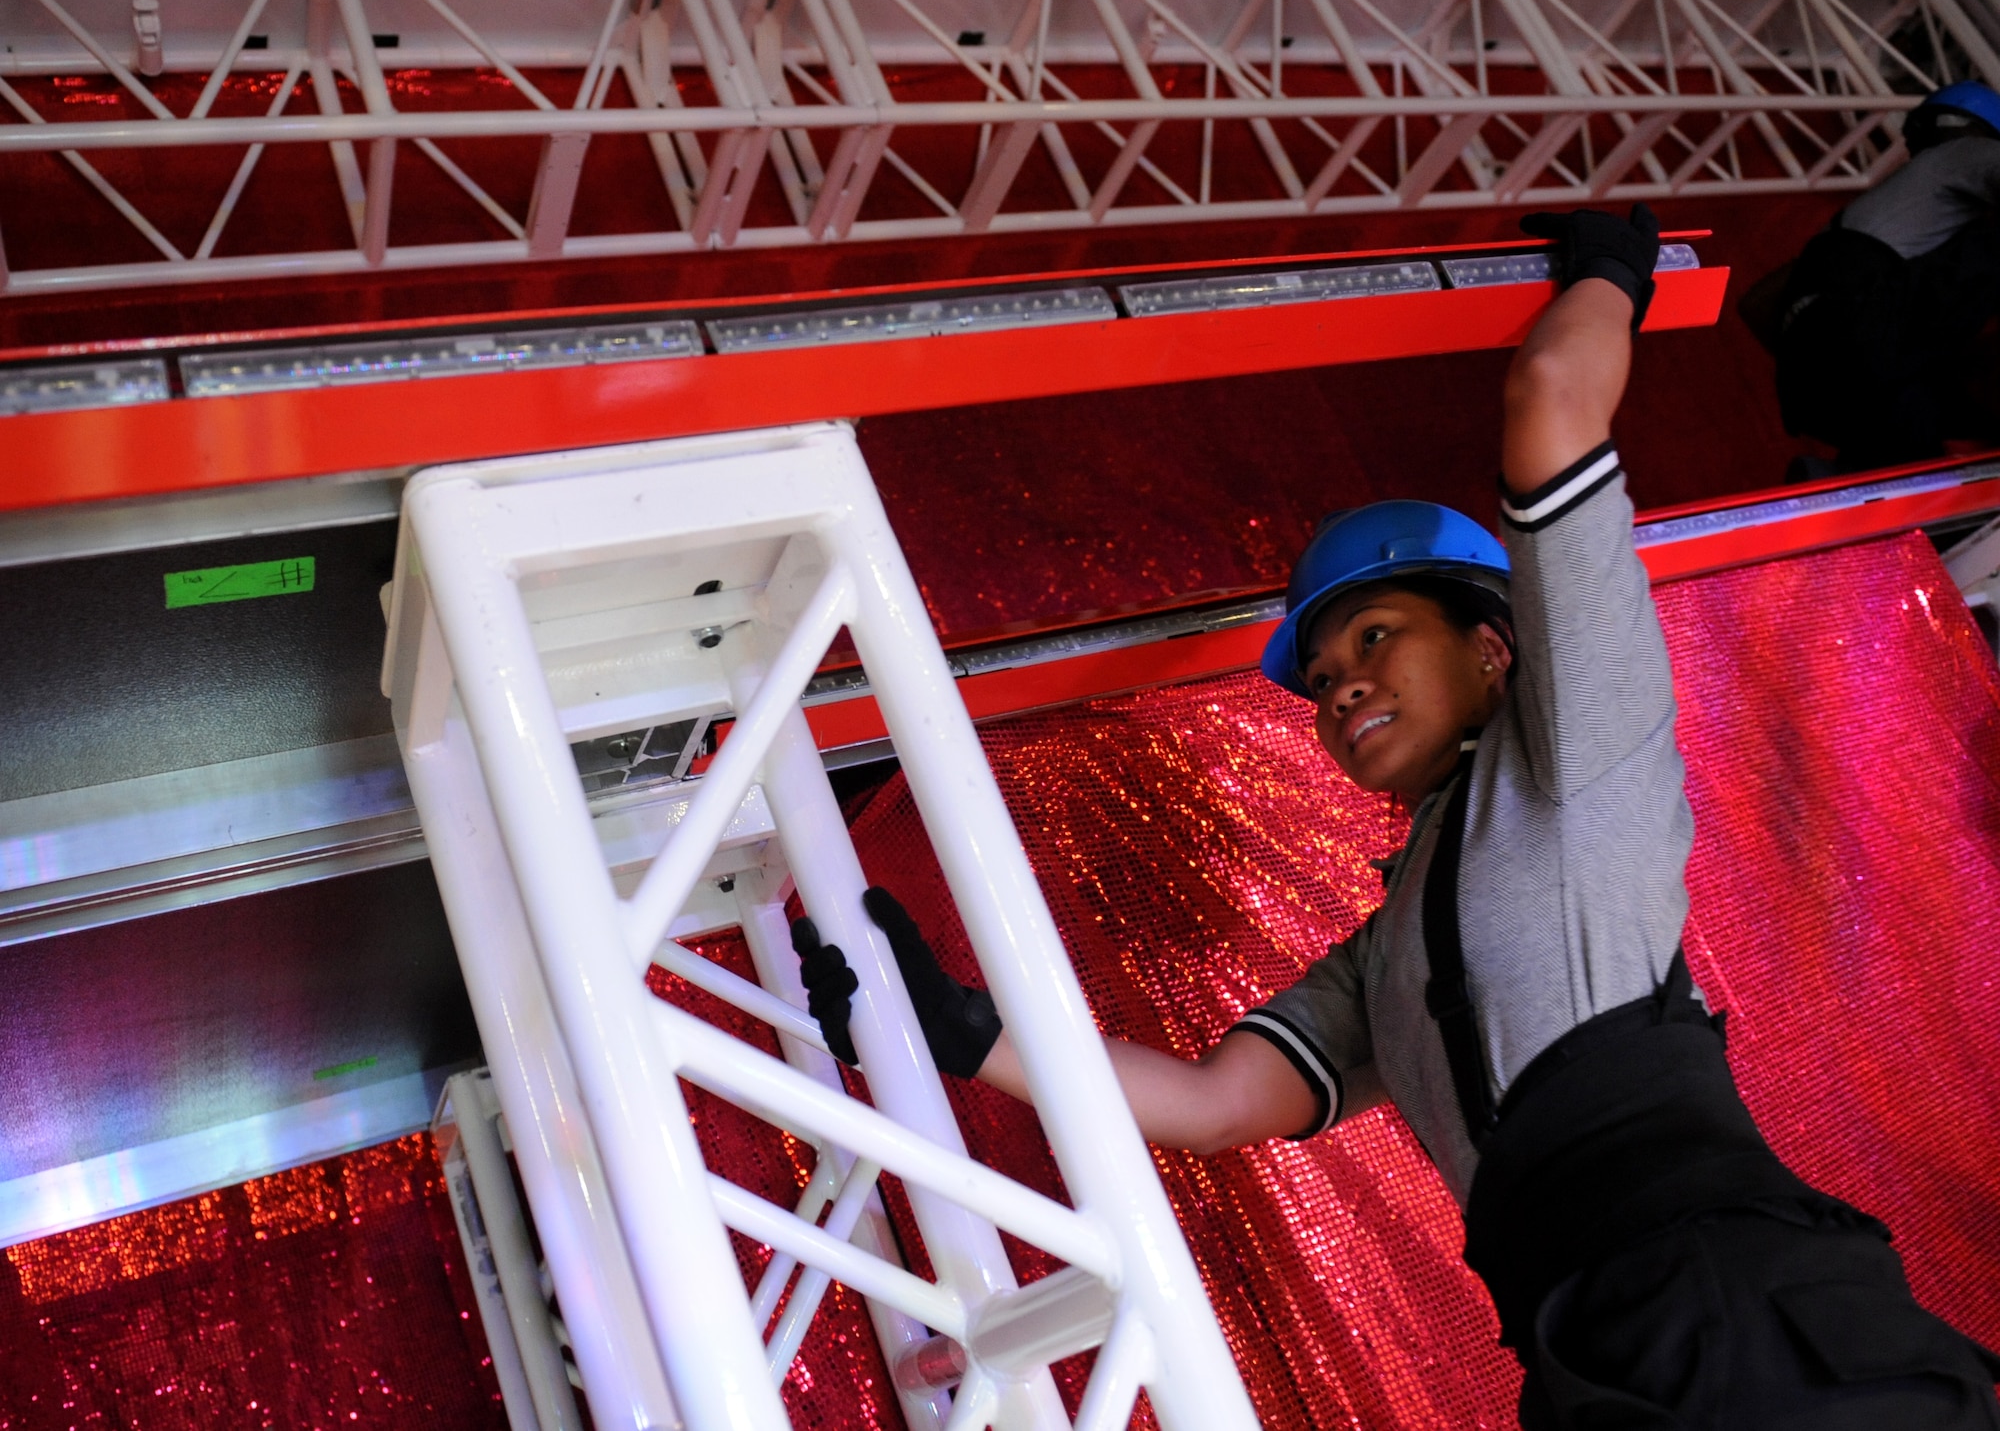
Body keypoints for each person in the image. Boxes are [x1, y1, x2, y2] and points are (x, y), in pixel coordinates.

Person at [792, 205, 2000, 1428]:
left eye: (1374, 637)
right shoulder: (1392, 951)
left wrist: (1607, 271)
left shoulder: (1578, 746)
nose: (1342, 684)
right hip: (1578, 1343)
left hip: (1727, 1297)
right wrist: (956, 1029)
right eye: (1320, 677)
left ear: (1490, 650)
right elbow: (1213, 1105)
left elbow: (1548, 404)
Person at [1774, 81, 2000, 476]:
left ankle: (1841, 480)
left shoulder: (1904, 197)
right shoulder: (1966, 154)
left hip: (1809, 363)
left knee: (1919, 443)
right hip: (1862, 317)